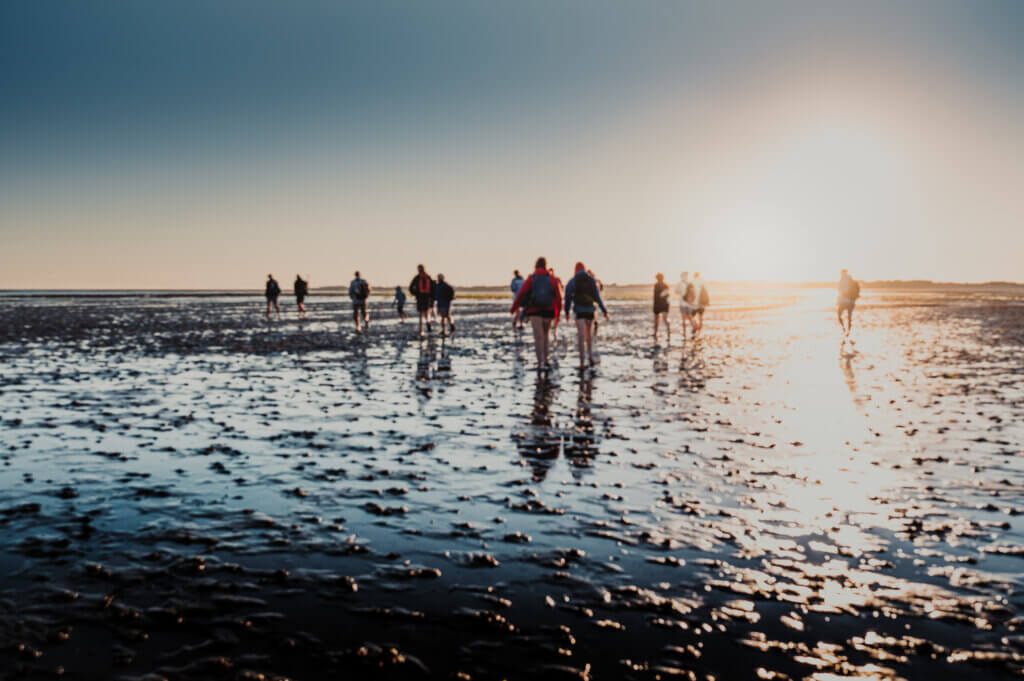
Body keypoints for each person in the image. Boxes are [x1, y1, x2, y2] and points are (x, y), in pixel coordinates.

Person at [510, 256, 562, 372]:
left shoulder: (531, 278)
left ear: (536, 265)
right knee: (546, 336)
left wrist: (514, 308)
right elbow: (558, 297)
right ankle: (547, 360)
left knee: (538, 338)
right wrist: (558, 313)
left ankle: (540, 364)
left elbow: (521, 294)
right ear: (546, 266)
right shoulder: (552, 279)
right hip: (549, 311)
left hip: (535, 312)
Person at [564, 262, 608, 368]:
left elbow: (567, 297)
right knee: (589, 337)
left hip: (579, 312)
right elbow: (597, 297)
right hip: (590, 311)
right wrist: (604, 311)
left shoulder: (573, 281)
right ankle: (590, 358)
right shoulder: (592, 280)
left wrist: (566, 312)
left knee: (581, 336)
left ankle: (582, 362)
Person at [409, 264, 436, 337]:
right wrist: (432, 297)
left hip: (421, 297)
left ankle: (422, 330)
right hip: (425, 297)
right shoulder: (428, 277)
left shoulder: (418, 277)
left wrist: (415, 293)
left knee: (421, 314)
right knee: (426, 313)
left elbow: (411, 287)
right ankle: (427, 325)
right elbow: (433, 288)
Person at [837, 268, 859, 336]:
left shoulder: (843, 281)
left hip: (845, 301)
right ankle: (847, 330)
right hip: (851, 302)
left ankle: (845, 329)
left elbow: (840, 291)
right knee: (849, 317)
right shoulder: (851, 280)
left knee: (840, 316)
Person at [675, 271, 697, 339]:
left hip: (682, 303)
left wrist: (681, 293)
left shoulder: (679, 284)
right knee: (690, 317)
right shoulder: (690, 284)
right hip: (690, 304)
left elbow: (676, 292)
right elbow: (694, 294)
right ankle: (694, 330)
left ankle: (684, 334)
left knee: (683, 319)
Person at [653, 273, 671, 342]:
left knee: (663, 319)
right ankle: (656, 333)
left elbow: (666, 295)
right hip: (660, 305)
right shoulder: (657, 285)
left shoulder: (663, 285)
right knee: (658, 320)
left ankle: (667, 333)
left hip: (662, 305)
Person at [548, 267, 564, 345]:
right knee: (554, 317)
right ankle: (554, 332)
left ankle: (553, 332)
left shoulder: (551, 279)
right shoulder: (555, 279)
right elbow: (559, 294)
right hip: (553, 303)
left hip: (551, 303)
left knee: (553, 318)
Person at [588, 269, 605, 338]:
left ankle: (593, 330)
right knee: (593, 317)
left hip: (593, 303)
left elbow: (600, 288)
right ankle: (592, 330)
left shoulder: (594, 281)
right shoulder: (594, 280)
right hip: (593, 303)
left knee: (593, 317)